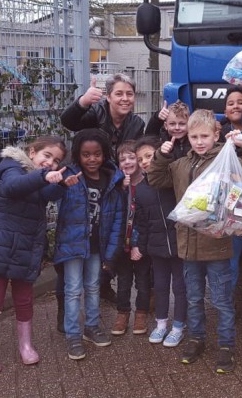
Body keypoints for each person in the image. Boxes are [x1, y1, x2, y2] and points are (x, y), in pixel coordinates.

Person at [147, 109, 242, 374]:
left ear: (216, 135)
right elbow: (154, 178)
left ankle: (226, 346)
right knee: (194, 298)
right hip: (188, 246)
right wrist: (162, 155)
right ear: (187, 136)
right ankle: (196, 339)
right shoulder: (180, 165)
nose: (199, 141)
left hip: (218, 246)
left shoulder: (227, 159)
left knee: (222, 301)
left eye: (204, 136)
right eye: (194, 136)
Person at [0, 136, 70, 374]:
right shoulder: (11, 168)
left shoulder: (38, 177)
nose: (50, 163)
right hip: (1, 247)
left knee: (25, 300)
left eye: (56, 161)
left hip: (26, 249)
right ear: (32, 151)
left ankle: (25, 345)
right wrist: (43, 176)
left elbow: (45, 194)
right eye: (47, 156)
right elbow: (14, 187)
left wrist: (62, 184)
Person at [60, 73, 145, 303]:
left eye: (129, 94)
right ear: (108, 97)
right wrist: (84, 101)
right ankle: (66, 303)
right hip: (88, 185)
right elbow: (68, 121)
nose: (125, 99)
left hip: (116, 185)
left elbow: (136, 152)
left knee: (110, 236)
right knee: (86, 236)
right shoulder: (96, 113)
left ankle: (104, 283)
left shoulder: (136, 123)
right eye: (119, 93)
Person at [54, 128, 125, 360]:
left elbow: (116, 219)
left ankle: (91, 327)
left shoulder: (113, 180)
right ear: (78, 155)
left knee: (94, 287)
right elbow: (49, 195)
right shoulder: (69, 176)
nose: (92, 159)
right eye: (86, 154)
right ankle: (73, 334)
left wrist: (112, 253)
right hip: (72, 245)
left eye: (97, 154)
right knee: (73, 290)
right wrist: (61, 184)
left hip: (97, 246)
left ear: (104, 154)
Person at [130, 136, 188, 347]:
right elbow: (142, 223)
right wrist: (140, 246)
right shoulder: (142, 189)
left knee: (181, 287)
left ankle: (179, 326)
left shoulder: (173, 180)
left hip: (179, 244)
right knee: (161, 286)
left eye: (148, 155)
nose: (144, 161)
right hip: (156, 248)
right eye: (140, 159)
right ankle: (161, 324)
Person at [219, 86, 242, 317]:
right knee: (231, 254)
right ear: (225, 109)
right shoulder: (220, 133)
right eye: (231, 102)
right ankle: (228, 297)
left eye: (241, 102)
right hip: (230, 205)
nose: (235, 106)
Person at [110, 140, 151, 337]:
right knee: (123, 281)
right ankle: (122, 313)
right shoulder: (117, 185)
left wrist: (139, 245)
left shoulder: (147, 183)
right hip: (122, 246)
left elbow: (146, 219)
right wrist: (120, 188)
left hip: (141, 244)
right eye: (122, 159)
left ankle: (141, 313)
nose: (127, 162)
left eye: (131, 157)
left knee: (143, 282)